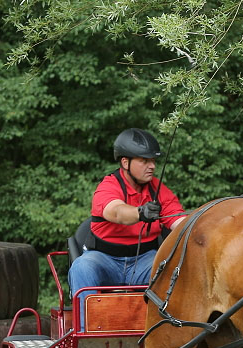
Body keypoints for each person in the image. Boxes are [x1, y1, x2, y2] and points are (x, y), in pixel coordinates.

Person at [68, 128, 186, 308]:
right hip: (104, 258)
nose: (152, 166)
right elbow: (116, 212)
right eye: (144, 161)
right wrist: (141, 213)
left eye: (153, 161)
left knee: (171, 268)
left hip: (145, 260)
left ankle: (165, 331)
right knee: (81, 267)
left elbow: (180, 221)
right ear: (125, 162)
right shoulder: (108, 186)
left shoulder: (158, 189)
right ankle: (86, 332)